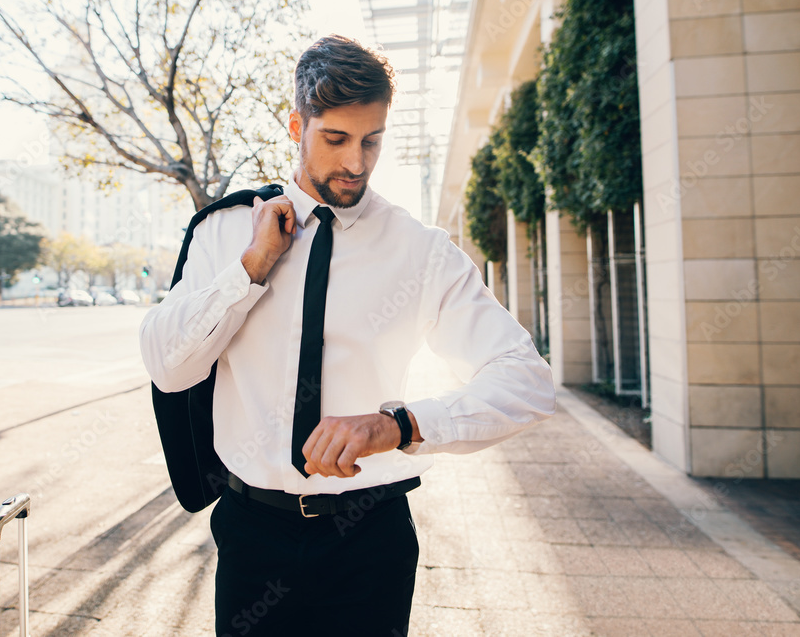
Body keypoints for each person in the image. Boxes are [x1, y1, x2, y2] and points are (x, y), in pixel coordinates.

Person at [139, 34, 556, 637]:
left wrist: (400, 425)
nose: (356, 162)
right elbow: (167, 366)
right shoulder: (226, 233)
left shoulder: (420, 250)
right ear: (295, 125)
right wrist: (251, 268)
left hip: (370, 540)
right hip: (253, 536)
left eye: (372, 140)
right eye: (336, 139)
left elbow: (528, 380)